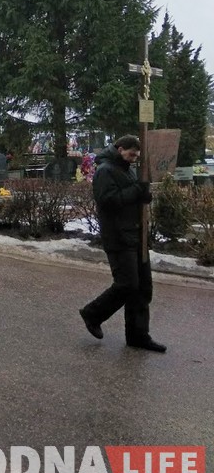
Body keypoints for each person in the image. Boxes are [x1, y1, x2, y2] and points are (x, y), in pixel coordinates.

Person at [79, 135, 166, 352]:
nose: (134, 158)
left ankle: (138, 335)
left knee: (142, 288)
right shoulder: (105, 170)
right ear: (119, 149)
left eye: (137, 155)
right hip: (118, 236)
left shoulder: (127, 168)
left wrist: (144, 196)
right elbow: (108, 200)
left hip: (136, 235)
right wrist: (137, 191)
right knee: (127, 284)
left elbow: (131, 195)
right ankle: (93, 313)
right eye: (131, 153)